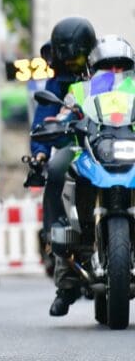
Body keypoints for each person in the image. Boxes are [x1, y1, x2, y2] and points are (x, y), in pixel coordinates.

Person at [46, 34, 135, 317]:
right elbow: (65, 113)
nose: (114, 72)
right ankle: (65, 286)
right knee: (65, 186)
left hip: (129, 152)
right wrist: (58, 122)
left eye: (120, 66)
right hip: (93, 153)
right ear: (93, 67)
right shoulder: (81, 90)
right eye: (108, 66)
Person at [25, 17, 96, 316]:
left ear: (89, 52)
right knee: (55, 170)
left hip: (109, 146)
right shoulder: (57, 80)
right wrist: (40, 153)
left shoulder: (110, 73)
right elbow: (44, 114)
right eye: (65, 58)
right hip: (75, 148)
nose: (71, 64)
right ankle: (65, 280)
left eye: (77, 58)